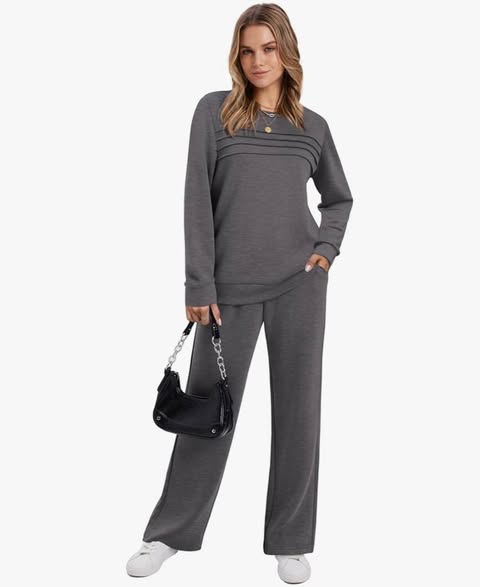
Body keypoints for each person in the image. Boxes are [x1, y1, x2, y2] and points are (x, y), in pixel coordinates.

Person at [126, 3, 353, 583]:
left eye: (268, 49)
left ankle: (291, 541)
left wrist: (325, 251)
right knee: (208, 412)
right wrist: (198, 282)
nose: (258, 61)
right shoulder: (214, 112)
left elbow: (338, 198)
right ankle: (169, 533)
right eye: (247, 50)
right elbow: (196, 200)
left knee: (300, 411)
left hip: (300, 287)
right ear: (237, 56)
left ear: (287, 52)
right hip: (226, 293)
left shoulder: (313, 126)